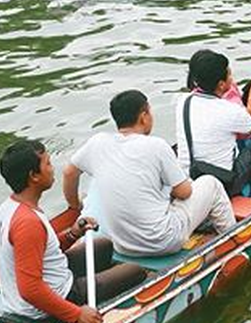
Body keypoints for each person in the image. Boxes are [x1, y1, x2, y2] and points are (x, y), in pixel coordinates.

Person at [62, 90, 237, 258]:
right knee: (211, 184)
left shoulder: (97, 142)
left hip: (122, 246)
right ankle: (234, 240)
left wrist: (74, 205)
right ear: (144, 117)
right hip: (163, 242)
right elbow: (185, 193)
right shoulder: (156, 146)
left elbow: (69, 173)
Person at [0, 139, 145, 323]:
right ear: (34, 176)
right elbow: (30, 290)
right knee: (136, 271)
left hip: (51, 279)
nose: (52, 168)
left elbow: (39, 250)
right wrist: (77, 314)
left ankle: (99, 284)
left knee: (104, 245)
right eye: (47, 163)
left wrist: (73, 234)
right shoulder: (27, 223)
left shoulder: (8, 208)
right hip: (50, 301)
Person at [176, 49, 251, 198]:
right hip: (224, 181)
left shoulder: (183, 101)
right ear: (221, 85)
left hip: (189, 178)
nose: (232, 79)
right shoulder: (230, 110)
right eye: (229, 75)